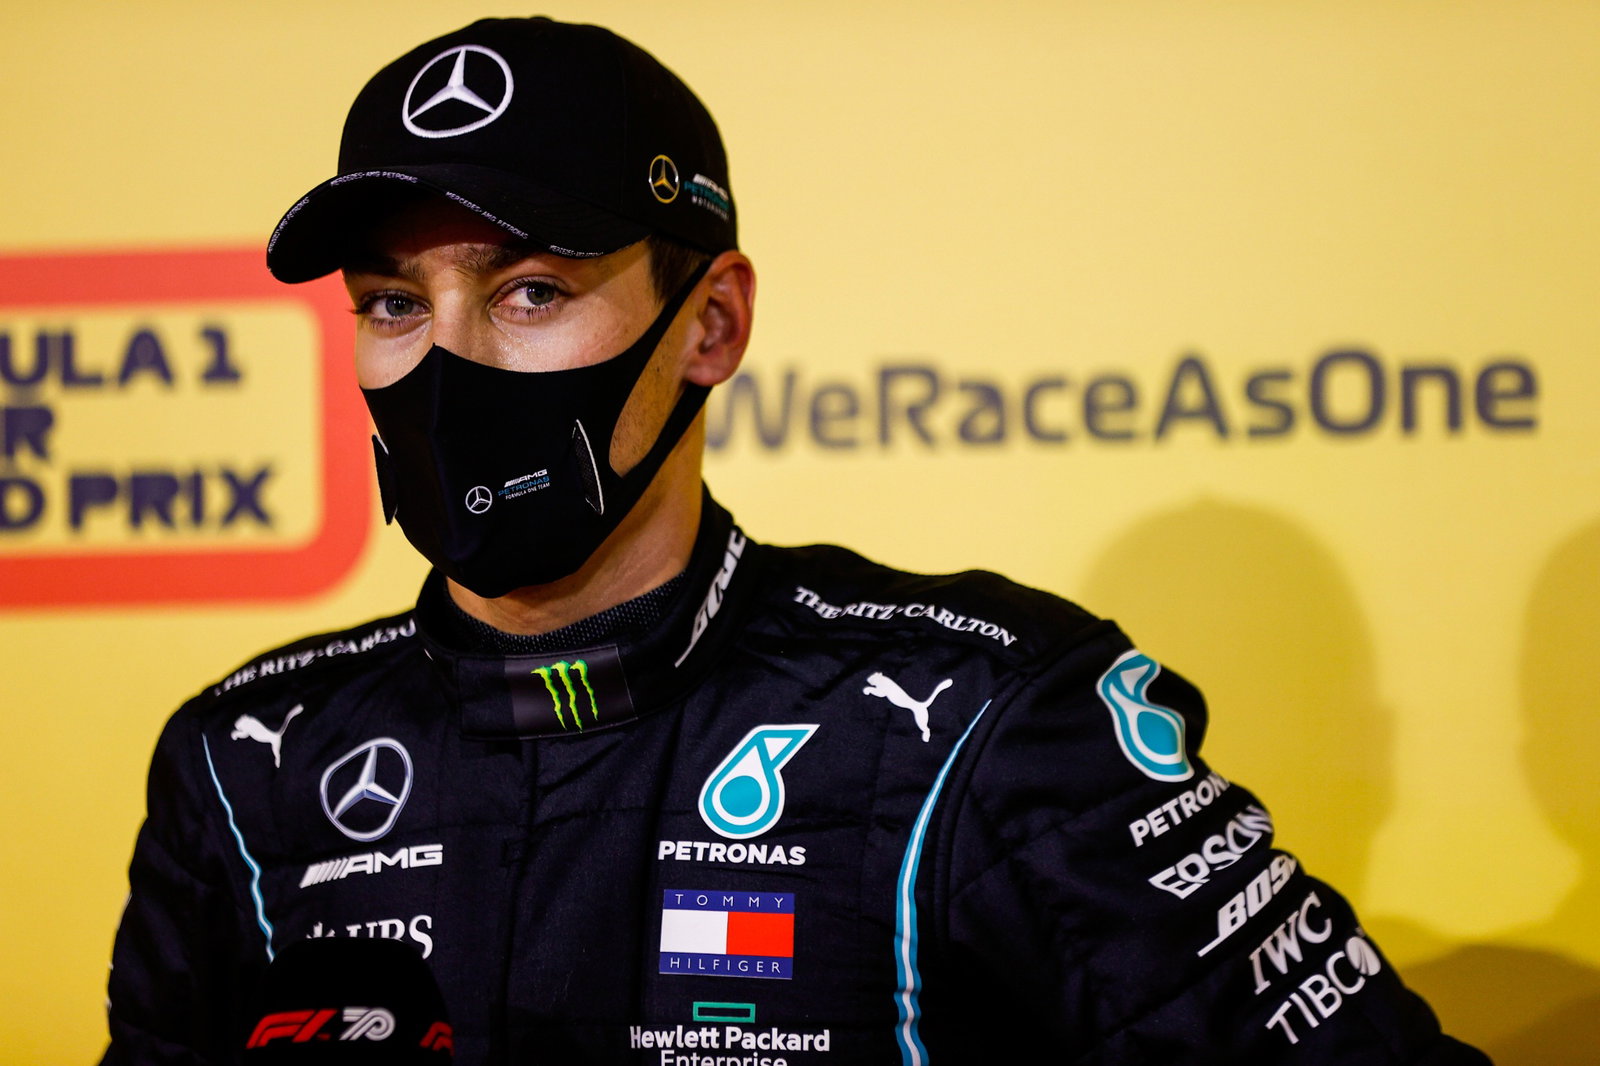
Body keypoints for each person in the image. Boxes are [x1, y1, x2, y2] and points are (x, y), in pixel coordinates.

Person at [101, 16, 1488, 1065]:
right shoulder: (244, 764)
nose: (447, 361)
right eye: (394, 303)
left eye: (531, 290)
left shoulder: (980, 718)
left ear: (712, 324)